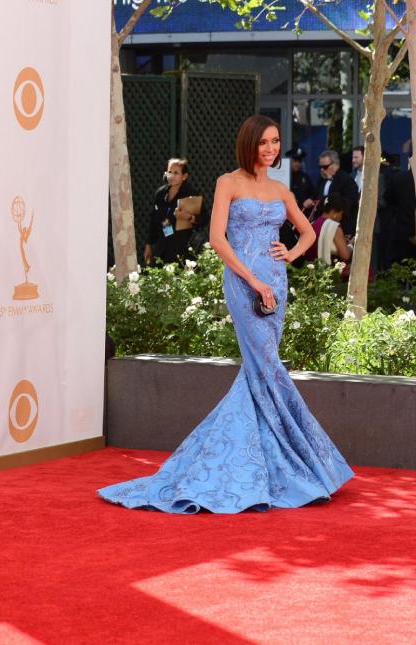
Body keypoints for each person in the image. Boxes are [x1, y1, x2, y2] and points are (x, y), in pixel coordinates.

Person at [98, 115, 353, 514]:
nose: (270, 149)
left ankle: (263, 463)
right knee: (266, 366)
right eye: (263, 142)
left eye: (275, 142)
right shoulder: (227, 182)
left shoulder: (280, 190)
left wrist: (290, 254)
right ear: (249, 144)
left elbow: (308, 231)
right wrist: (253, 280)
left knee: (259, 372)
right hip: (243, 282)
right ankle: (304, 458)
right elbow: (217, 239)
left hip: (275, 284)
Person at [144, 158, 196, 265]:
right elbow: (154, 220)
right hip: (162, 247)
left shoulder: (190, 194)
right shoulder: (161, 193)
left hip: (182, 248)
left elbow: (203, 219)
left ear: (184, 176)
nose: (171, 176)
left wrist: (188, 216)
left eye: (176, 173)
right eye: (169, 172)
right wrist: (149, 244)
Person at [305, 150, 360, 235]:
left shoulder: (346, 180)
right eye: (320, 167)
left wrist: (331, 201)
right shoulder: (321, 180)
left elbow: (352, 202)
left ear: (335, 164)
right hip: (323, 226)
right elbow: (316, 196)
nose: (322, 170)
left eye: (325, 167)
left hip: (341, 227)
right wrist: (311, 200)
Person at [152, 195, 203, 264]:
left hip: (186, 245)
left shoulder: (190, 192)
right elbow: (161, 222)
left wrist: (188, 217)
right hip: (166, 248)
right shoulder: (162, 194)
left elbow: (204, 219)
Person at [304, 195, 352, 266]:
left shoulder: (313, 223)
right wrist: (351, 244)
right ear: (335, 212)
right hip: (325, 271)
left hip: (308, 268)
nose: (341, 218)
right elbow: (345, 255)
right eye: (341, 214)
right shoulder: (334, 227)